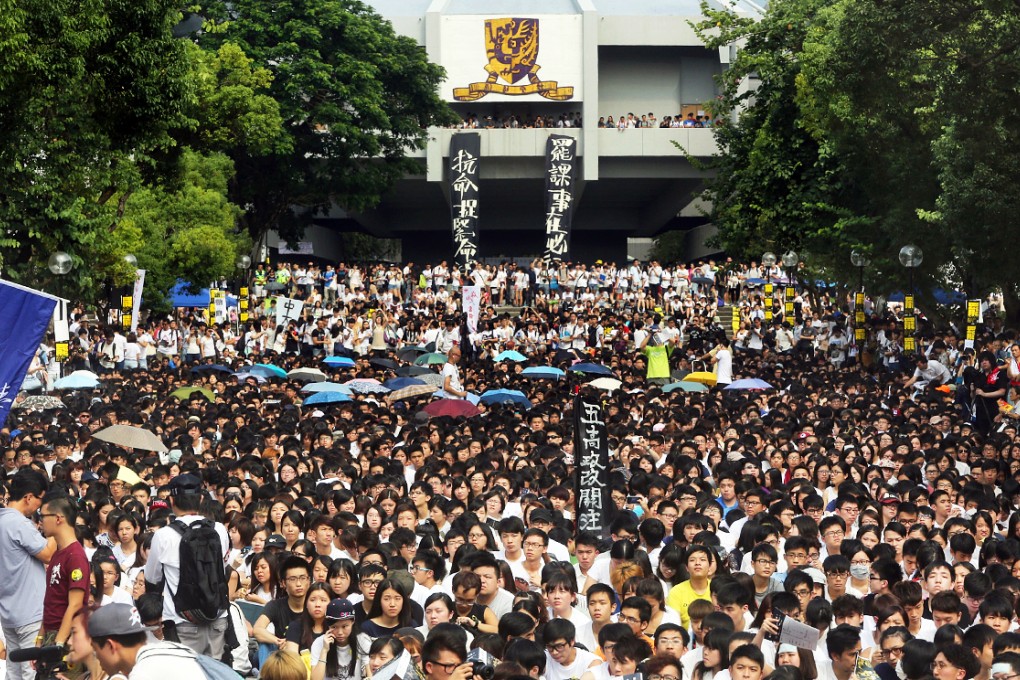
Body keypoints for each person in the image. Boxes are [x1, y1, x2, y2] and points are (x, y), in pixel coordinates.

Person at [144, 473, 229, 657]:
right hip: (217, 617)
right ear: (200, 499)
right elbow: (223, 568)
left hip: (181, 620)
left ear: (171, 500)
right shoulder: (220, 530)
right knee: (216, 674)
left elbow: (152, 578)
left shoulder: (163, 535)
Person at [0, 469, 56, 680]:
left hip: (8, 612)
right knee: (31, 672)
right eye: (40, 500)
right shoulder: (18, 523)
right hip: (30, 612)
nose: (40, 506)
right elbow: (48, 554)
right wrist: (59, 527)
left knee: (14, 672)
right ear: (29, 497)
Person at [88, 603, 205, 678]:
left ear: (110, 646)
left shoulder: (143, 674)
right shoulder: (169, 649)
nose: (96, 657)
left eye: (95, 650)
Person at [39, 494, 90, 653]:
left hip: (66, 636)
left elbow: (75, 604)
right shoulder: (57, 553)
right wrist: (40, 638)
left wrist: (59, 642)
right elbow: (51, 600)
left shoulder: (75, 556)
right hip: (50, 633)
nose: (40, 522)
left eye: (43, 516)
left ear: (58, 518)